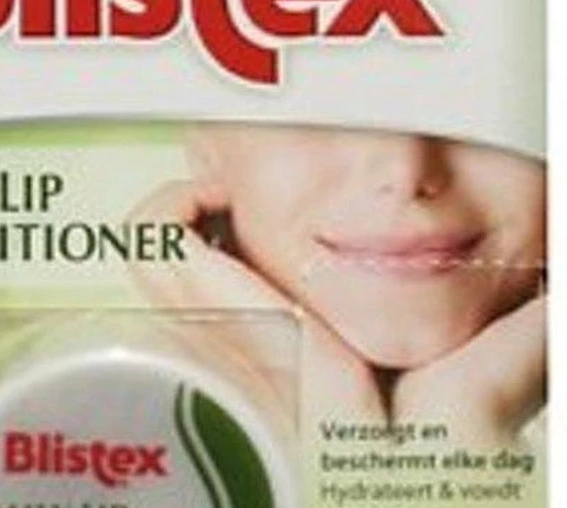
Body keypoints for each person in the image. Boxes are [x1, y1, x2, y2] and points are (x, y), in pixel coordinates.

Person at [131, 127, 546, 445]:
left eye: (472, 108)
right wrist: (327, 402)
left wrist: (464, 420)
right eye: (329, 112)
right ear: (207, 150)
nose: (406, 173)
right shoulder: (123, 423)